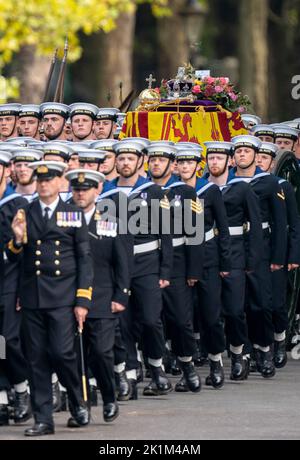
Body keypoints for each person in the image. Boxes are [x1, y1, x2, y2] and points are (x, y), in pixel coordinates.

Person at [8, 160, 92, 436]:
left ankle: (78, 401)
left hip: (62, 296)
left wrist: (82, 300)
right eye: (40, 180)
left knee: (62, 353)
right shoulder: (26, 212)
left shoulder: (71, 213)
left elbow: (84, 258)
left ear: (60, 182)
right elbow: (13, 256)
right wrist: (18, 240)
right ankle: (43, 419)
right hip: (33, 296)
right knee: (37, 359)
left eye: (49, 180)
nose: (43, 184)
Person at [66, 168, 130, 423]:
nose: (81, 194)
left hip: (102, 297)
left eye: (86, 189)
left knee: (102, 353)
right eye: (77, 189)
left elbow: (122, 261)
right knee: (72, 355)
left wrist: (121, 295)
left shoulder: (110, 220)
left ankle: (109, 396)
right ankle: (79, 407)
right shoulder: (64, 218)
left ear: (97, 191)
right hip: (69, 297)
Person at [110, 139, 173, 396]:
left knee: (149, 320)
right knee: (122, 323)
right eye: (121, 159)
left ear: (140, 162)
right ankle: (131, 373)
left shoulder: (155, 192)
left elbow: (166, 233)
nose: (125, 163)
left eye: (130, 159)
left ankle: (156, 368)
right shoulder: (107, 193)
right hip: (117, 268)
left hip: (147, 265)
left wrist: (165, 270)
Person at [147, 141, 203, 393]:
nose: (156, 164)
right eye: (152, 160)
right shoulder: (142, 192)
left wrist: (194, 270)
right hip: (150, 259)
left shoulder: (186, 193)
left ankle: (188, 365)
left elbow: (195, 232)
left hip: (179, 261)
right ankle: (156, 371)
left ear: (172, 165)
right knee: (151, 319)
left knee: (181, 319)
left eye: (161, 160)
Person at [230, 135, 287, 378]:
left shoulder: (271, 184)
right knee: (236, 305)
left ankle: (263, 349)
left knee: (261, 304)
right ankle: (240, 354)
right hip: (233, 246)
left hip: (261, 247)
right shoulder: (226, 183)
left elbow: (281, 221)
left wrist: (279, 256)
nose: (242, 155)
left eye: (247, 151)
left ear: (256, 155)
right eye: (239, 151)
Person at [205, 141, 263, 380]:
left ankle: (239, 353)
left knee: (234, 310)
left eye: (219, 158)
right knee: (210, 312)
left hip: (236, 254)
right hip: (209, 254)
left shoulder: (241, 189)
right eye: (211, 158)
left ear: (229, 161)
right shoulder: (202, 189)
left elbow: (255, 226)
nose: (214, 162)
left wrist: (252, 260)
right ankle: (215, 360)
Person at [176, 147, 231, 389]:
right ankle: (185, 366)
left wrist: (225, 262)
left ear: (198, 166)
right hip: (180, 258)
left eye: (190, 162)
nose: (185, 166)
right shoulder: (171, 191)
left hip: (208, 257)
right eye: (181, 162)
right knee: (182, 318)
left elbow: (223, 228)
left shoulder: (210, 191)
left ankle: (215, 361)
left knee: (210, 315)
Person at [256, 141, 300, 368]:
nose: (259, 161)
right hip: (256, 250)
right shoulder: (248, 184)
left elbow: (293, 224)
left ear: (273, 163)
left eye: (264, 159)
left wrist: (292, 256)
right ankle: (258, 348)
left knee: (277, 303)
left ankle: (280, 339)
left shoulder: (281, 185)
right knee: (256, 303)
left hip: (277, 250)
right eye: (258, 158)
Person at [0, 150, 31, 425]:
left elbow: (25, 250)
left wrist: (24, 289)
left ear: (6, 170)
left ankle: (22, 389)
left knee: (9, 340)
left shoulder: (16, 204)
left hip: (11, 281)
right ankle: (2, 396)